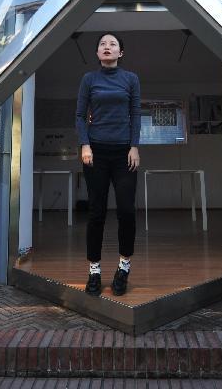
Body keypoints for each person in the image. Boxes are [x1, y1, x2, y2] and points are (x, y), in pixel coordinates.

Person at [75, 32, 141, 296]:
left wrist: (135, 146)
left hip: (124, 153)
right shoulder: (89, 79)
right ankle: (94, 270)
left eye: (112, 44)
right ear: (97, 52)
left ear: (120, 53)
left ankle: (124, 267)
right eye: (102, 44)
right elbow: (80, 115)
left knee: (126, 210)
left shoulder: (131, 79)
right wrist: (85, 144)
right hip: (96, 154)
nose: (107, 47)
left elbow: (135, 114)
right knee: (96, 213)